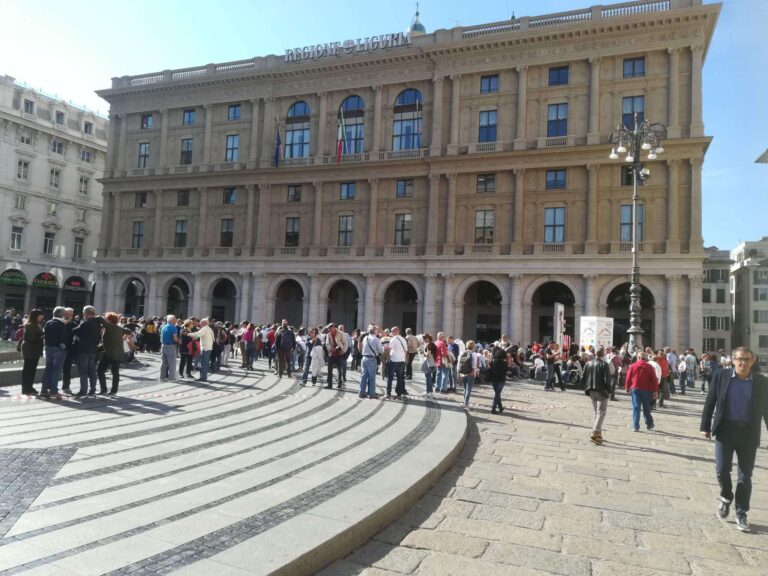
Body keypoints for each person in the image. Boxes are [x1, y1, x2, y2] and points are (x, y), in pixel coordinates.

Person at [700, 347, 768, 533]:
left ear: (752, 362)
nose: (743, 363)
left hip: (748, 433)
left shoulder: (761, 382)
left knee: (745, 477)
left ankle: (741, 512)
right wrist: (705, 425)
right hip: (725, 430)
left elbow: (766, 410)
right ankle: (726, 495)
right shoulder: (721, 376)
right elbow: (710, 400)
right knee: (722, 470)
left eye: (747, 359)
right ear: (733, 361)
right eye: (739, 359)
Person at [583, 348, 612, 445]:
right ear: (603, 355)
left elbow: (583, 377)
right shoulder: (604, 364)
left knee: (597, 412)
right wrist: (610, 391)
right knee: (601, 412)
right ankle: (595, 431)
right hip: (601, 390)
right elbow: (607, 380)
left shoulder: (588, 363)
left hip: (591, 390)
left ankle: (598, 434)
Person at [96, 312, 131, 396]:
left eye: (107, 318)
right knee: (115, 372)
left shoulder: (109, 326)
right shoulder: (118, 328)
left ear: (109, 320)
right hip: (118, 353)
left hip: (109, 353)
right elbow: (128, 331)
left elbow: (100, 318)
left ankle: (103, 390)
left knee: (100, 370)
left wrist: (95, 316)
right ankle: (113, 391)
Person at [625, 352, 660, 432]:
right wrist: (655, 391)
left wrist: (627, 387)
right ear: (645, 358)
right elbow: (654, 380)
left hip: (635, 388)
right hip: (646, 389)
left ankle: (635, 426)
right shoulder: (650, 367)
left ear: (638, 357)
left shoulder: (633, 366)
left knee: (636, 407)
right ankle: (649, 424)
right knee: (646, 407)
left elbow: (628, 377)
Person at [72, 306, 101, 397]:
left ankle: (83, 390)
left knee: (83, 372)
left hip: (83, 350)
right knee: (92, 371)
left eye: (84, 313)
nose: (83, 315)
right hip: (93, 350)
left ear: (87, 313)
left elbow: (75, 331)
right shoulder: (97, 323)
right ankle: (93, 389)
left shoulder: (86, 323)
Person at [41, 306, 69, 399]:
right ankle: (53, 391)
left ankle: (44, 390)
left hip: (48, 348)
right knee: (56, 371)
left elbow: (45, 335)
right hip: (58, 350)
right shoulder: (61, 324)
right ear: (62, 314)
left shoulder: (48, 323)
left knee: (48, 369)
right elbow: (63, 339)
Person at [19, 309, 45, 396]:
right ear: (36, 316)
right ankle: (26, 388)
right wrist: (43, 336)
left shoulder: (35, 324)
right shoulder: (30, 325)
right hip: (31, 350)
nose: (41, 318)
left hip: (33, 350)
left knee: (31, 369)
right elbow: (31, 338)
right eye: (40, 316)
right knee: (29, 369)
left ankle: (29, 387)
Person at [360, 325, 383, 399]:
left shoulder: (365, 338)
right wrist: (383, 348)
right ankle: (371, 394)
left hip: (364, 358)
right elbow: (380, 350)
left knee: (363, 376)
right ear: (375, 331)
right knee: (372, 377)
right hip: (371, 359)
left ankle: (361, 392)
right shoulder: (376, 339)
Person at [386, 326, 408, 399]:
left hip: (394, 360)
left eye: (392, 331)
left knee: (390, 377)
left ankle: (388, 393)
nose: (391, 333)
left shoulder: (394, 339)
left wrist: (388, 357)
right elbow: (406, 350)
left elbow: (389, 349)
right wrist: (403, 357)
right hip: (401, 360)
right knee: (400, 378)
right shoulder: (403, 339)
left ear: (395, 331)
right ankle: (399, 394)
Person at [324, 324, 348, 389]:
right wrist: (330, 348)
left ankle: (339, 383)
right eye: (329, 329)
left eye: (330, 328)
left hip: (340, 353)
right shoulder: (328, 334)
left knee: (339, 369)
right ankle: (329, 384)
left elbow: (345, 343)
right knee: (329, 369)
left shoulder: (341, 333)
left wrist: (343, 351)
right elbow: (327, 343)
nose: (329, 330)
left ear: (334, 328)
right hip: (331, 354)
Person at [459, 340, 480, 410]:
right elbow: (474, 364)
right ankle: (466, 404)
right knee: (469, 390)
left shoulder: (463, 353)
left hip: (463, 373)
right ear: (473, 346)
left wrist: (458, 372)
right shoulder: (474, 354)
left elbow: (459, 363)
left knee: (465, 389)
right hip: (470, 373)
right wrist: (474, 372)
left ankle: (464, 402)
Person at [160, 314, 179, 381]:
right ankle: (172, 378)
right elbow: (175, 338)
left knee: (164, 363)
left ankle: (162, 377)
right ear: (172, 320)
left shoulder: (163, 327)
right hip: (171, 346)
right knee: (172, 363)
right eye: (175, 319)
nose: (176, 321)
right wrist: (179, 341)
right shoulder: (173, 328)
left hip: (163, 345)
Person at [489, 345, 507, 414]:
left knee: (497, 393)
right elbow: (506, 371)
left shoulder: (493, 361)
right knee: (497, 394)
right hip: (501, 380)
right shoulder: (504, 363)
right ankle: (493, 408)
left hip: (494, 379)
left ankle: (500, 407)